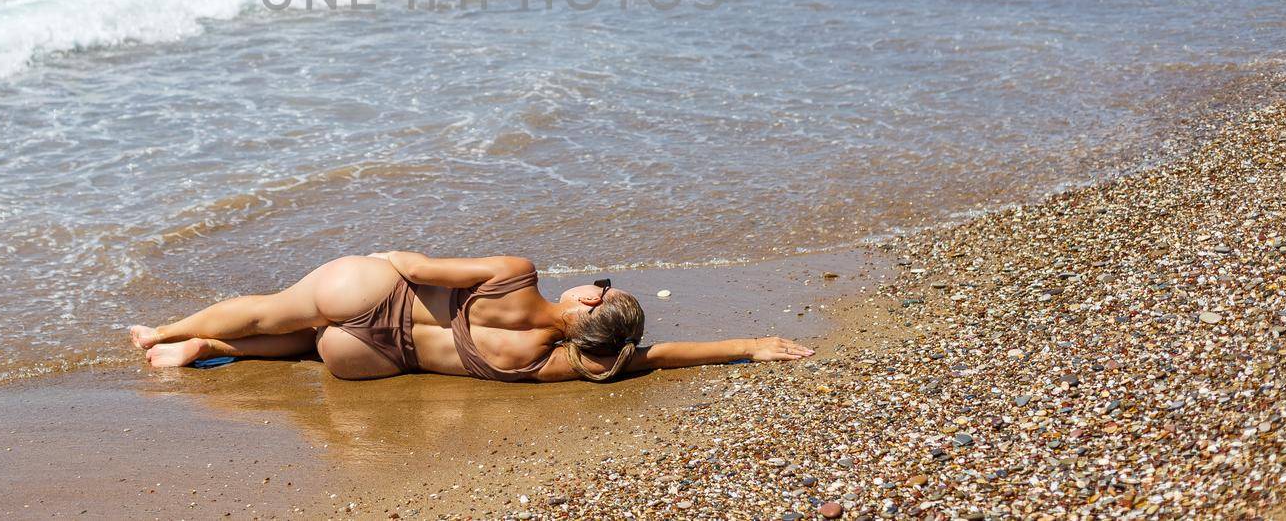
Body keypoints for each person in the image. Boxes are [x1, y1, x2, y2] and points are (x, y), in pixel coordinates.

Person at [128, 251, 814, 382]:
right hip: (365, 360)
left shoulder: (517, 273)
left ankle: (162, 331)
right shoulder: (554, 365)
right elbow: (657, 356)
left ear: (591, 300)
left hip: (373, 295)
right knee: (311, 344)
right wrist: (748, 344)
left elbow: (420, 266)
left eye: (600, 284)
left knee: (272, 307)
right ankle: (212, 350)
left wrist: (379, 256)